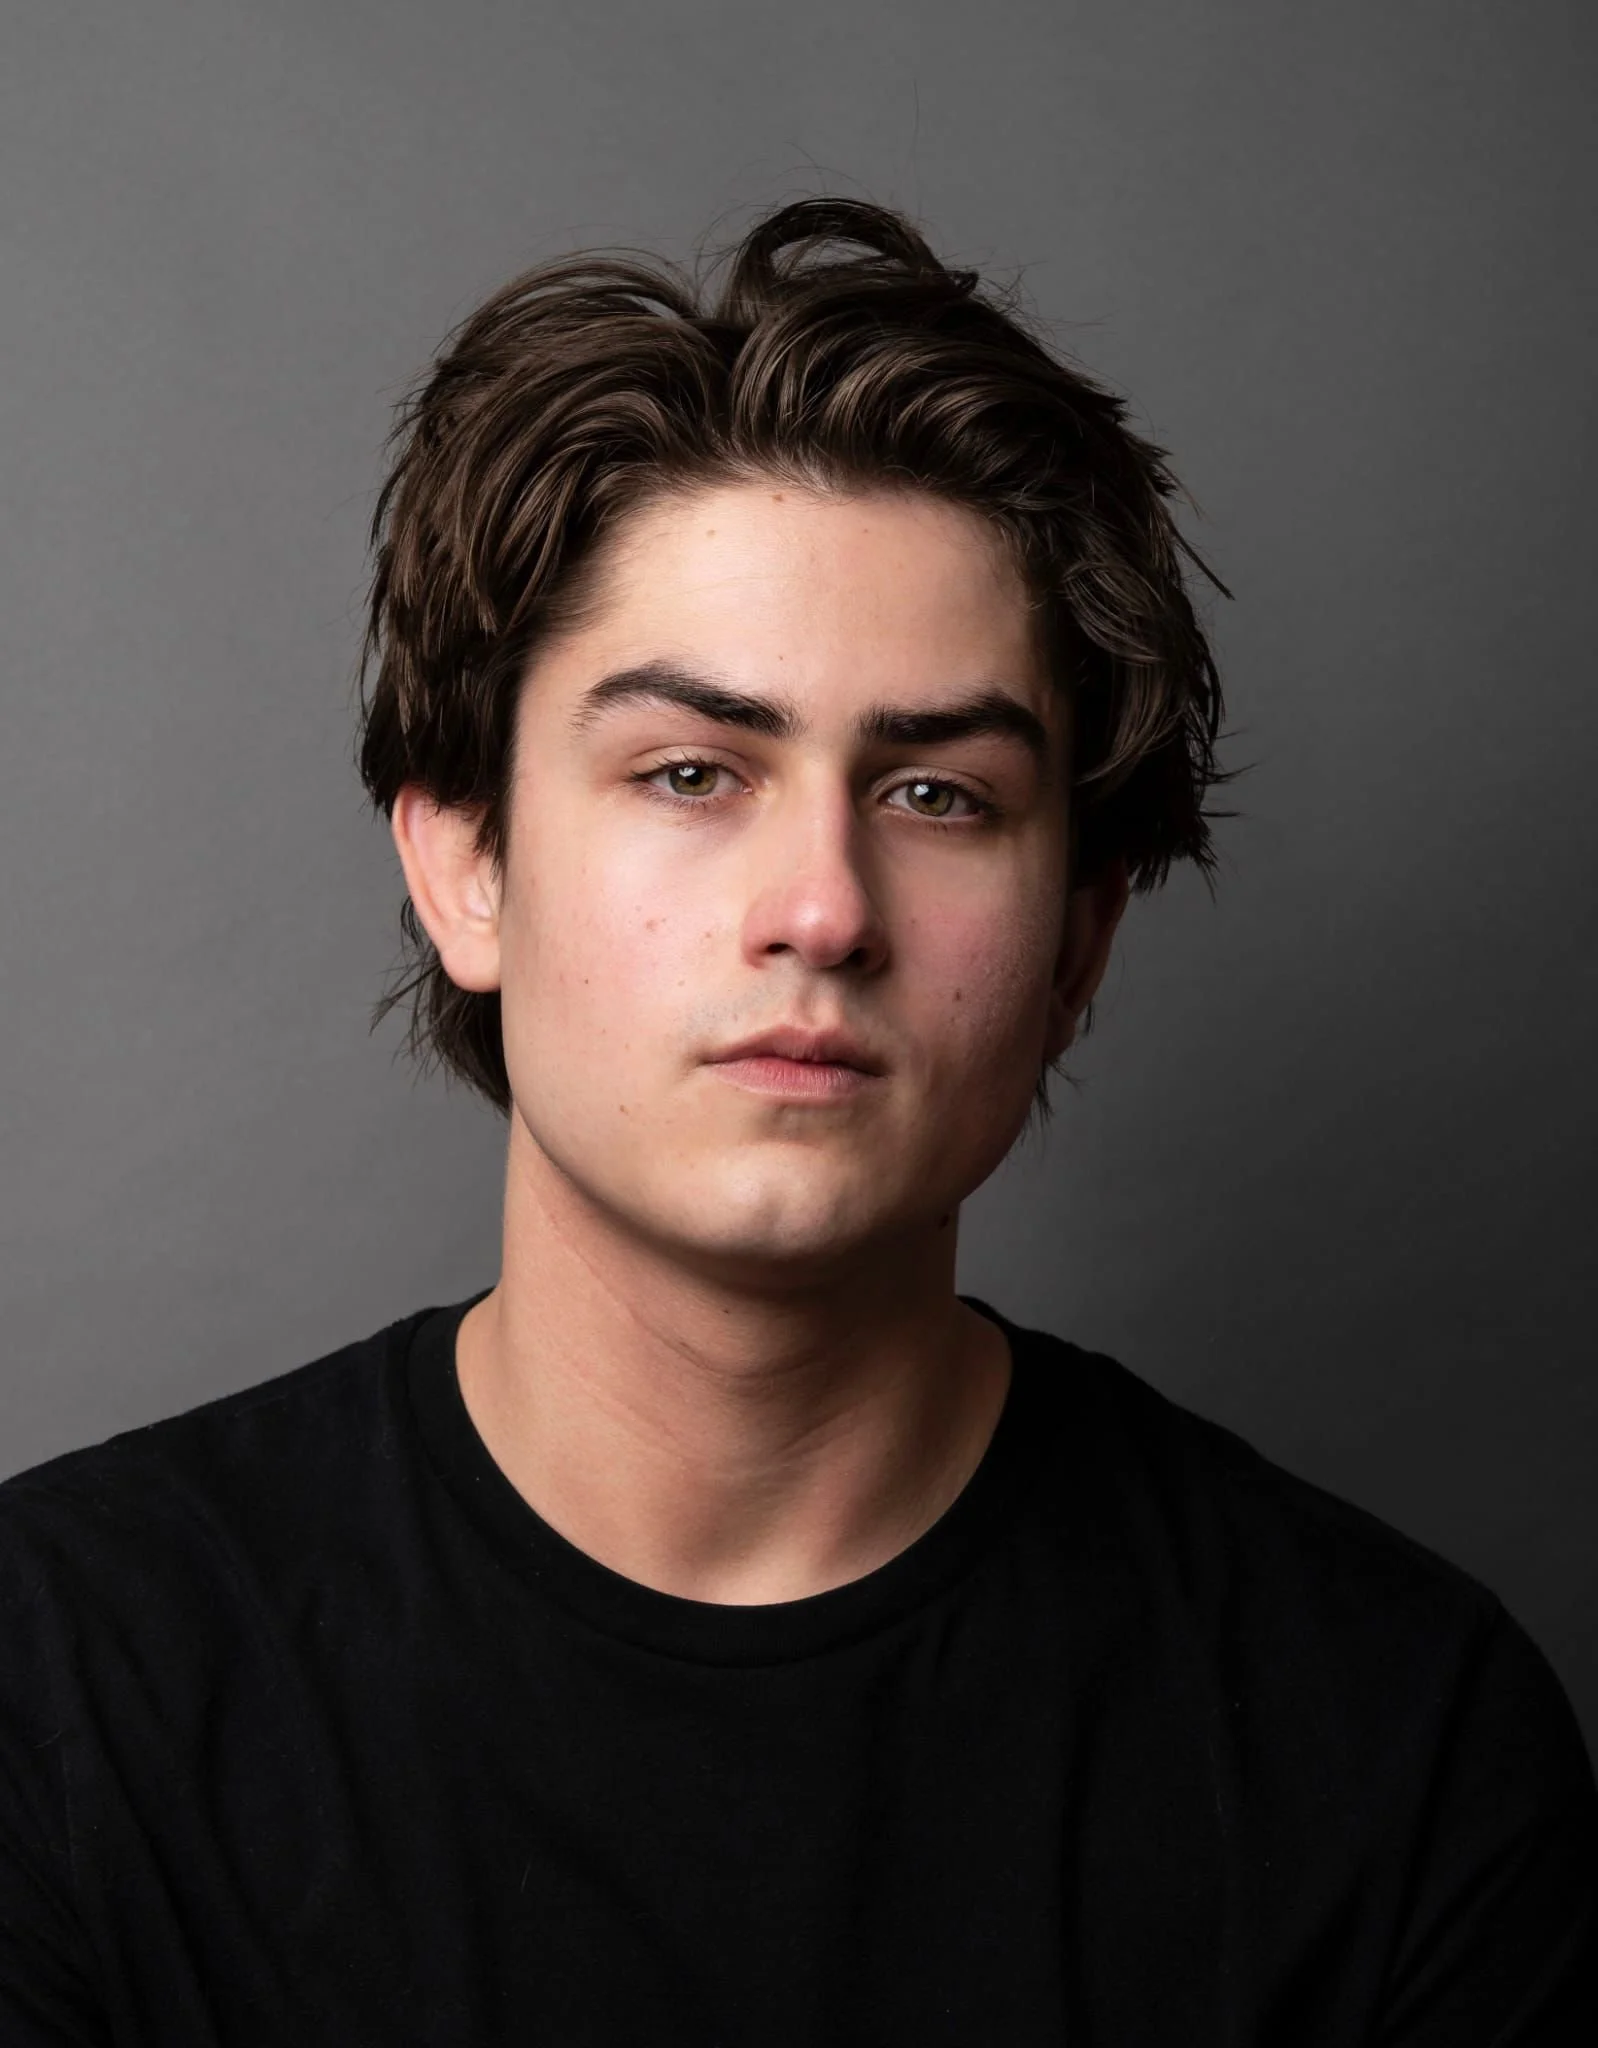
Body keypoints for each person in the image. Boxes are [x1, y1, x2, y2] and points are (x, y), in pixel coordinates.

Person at [1, 195, 1593, 2045]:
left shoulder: (1396, 1741)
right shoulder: (60, 1689)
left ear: (1081, 938)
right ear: (466, 872)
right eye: (690, 772)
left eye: (935, 792)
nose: (821, 907)